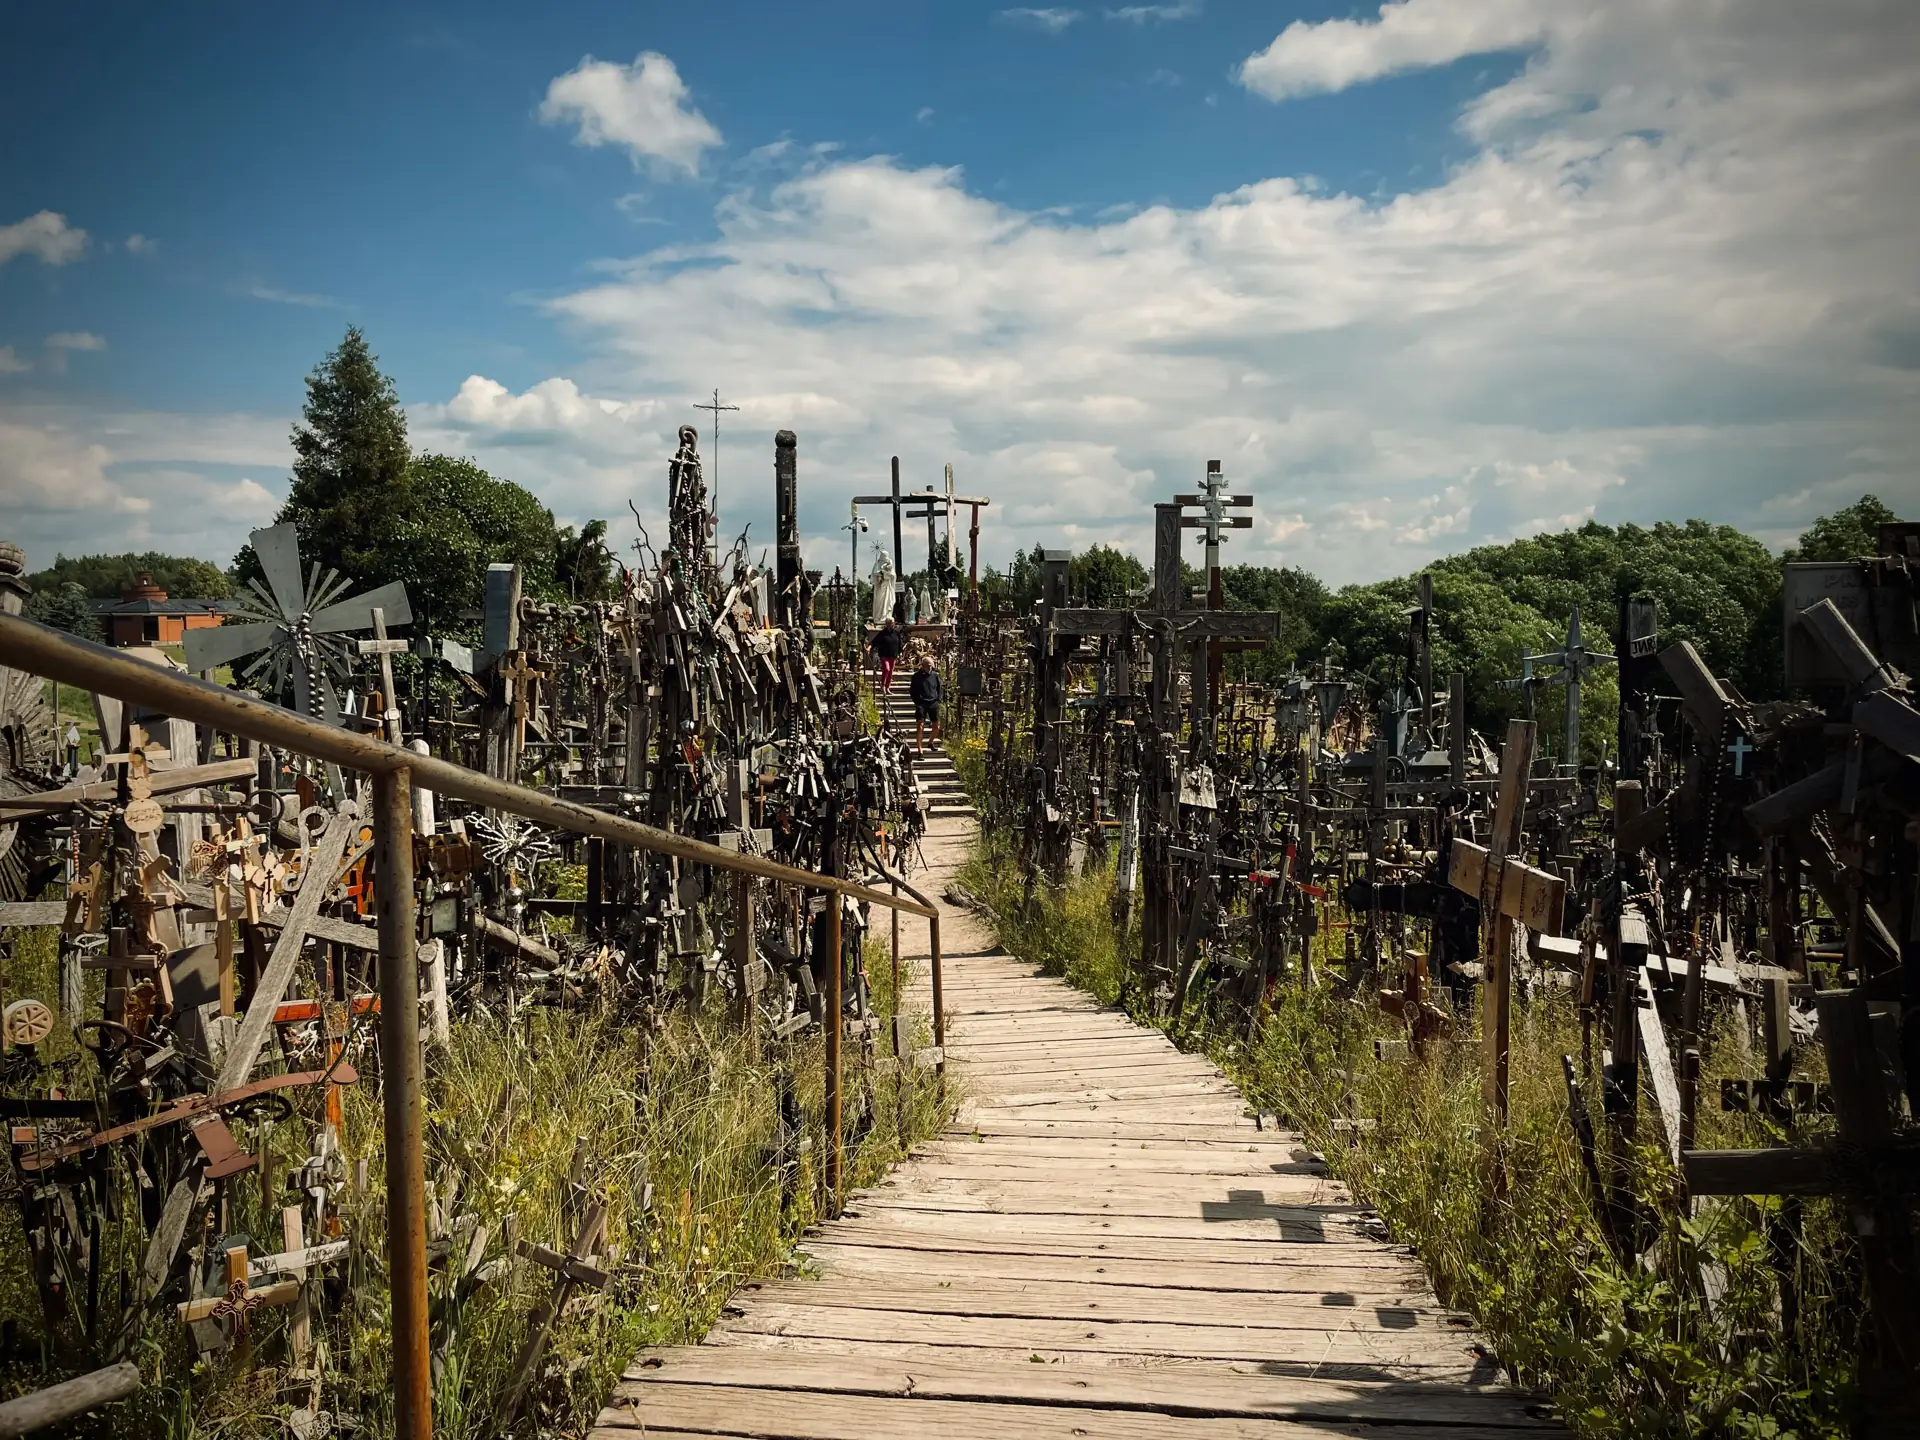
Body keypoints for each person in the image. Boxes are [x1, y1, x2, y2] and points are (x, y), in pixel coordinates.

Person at [868, 616, 906, 699]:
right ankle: (883, 686)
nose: (892, 624)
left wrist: (900, 653)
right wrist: (869, 647)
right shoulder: (882, 633)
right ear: (887, 624)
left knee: (890, 672)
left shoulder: (896, 633)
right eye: (890, 623)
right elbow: (874, 642)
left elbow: (900, 644)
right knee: (887, 669)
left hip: (893, 655)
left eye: (893, 623)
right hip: (884, 655)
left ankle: (887, 687)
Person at [909, 655, 943, 750]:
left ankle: (930, 742)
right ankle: (920, 750)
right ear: (923, 666)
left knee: (936, 726)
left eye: (931, 665)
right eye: (927, 665)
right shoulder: (916, 676)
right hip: (921, 703)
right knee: (920, 725)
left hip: (933, 703)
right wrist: (917, 702)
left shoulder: (935, 675)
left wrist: (938, 700)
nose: (929, 667)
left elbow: (940, 688)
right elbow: (912, 691)